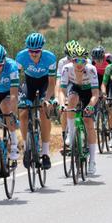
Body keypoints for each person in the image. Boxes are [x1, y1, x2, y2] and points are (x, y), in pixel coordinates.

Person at [15, 33, 57, 169]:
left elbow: (52, 83)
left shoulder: (50, 58)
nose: (33, 54)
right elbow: (15, 80)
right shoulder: (21, 57)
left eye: (37, 51)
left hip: (45, 84)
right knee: (22, 113)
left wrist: (46, 99)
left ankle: (45, 153)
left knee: (44, 110)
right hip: (29, 84)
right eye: (31, 51)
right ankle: (27, 147)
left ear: (41, 49)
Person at [58, 45, 101, 175]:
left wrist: (90, 106)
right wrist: (61, 104)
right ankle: (71, 135)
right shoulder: (66, 69)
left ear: (86, 61)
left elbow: (95, 94)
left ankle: (92, 161)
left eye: (82, 61)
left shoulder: (91, 70)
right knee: (71, 101)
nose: (79, 64)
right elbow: (62, 90)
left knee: (88, 122)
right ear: (72, 61)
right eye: (76, 60)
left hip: (89, 93)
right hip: (76, 89)